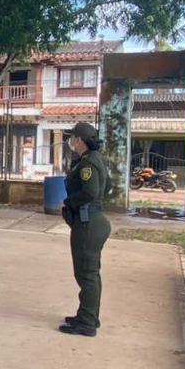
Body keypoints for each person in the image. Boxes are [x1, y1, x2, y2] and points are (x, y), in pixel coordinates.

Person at [59, 122, 111, 337]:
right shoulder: (96, 160)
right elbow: (106, 188)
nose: (71, 141)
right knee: (90, 273)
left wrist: (69, 202)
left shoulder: (88, 163)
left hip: (88, 222)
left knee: (86, 274)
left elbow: (90, 191)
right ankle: (87, 315)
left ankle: (87, 322)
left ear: (79, 140)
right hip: (94, 220)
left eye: (73, 138)